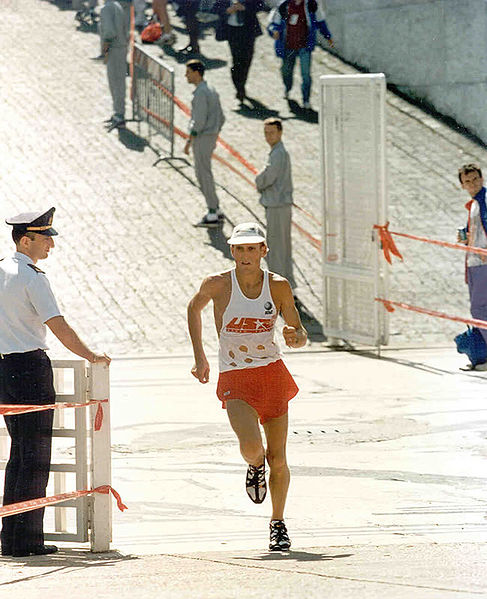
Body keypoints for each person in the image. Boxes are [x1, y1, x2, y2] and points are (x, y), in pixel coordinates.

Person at [187, 222, 307, 551]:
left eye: (252, 248)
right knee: (253, 448)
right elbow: (193, 307)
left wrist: (295, 338)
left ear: (263, 251)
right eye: (239, 248)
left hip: (272, 374)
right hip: (235, 377)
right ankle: (254, 466)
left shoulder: (278, 286)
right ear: (232, 251)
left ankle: (278, 523)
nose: (245, 255)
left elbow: (298, 330)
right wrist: (200, 356)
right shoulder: (217, 284)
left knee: (279, 458)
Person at [0, 208, 111, 558]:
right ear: (26, 239)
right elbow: (58, 325)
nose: (51, 244)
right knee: (34, 456)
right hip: (29, 368)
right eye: (46, 237)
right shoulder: (33, 278)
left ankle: (11, 537)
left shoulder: (2, 269)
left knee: (18, 455)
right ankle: (27, 541)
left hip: (3, 369)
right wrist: (92, 356)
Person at [256, 118, 297, 294]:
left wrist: (258, 180)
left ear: (280, 133)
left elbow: (267, 177)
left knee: (277, 247)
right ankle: (287, 285)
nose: (268, 136)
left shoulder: (278, 153)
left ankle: (279, 287)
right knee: (282, 246)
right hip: (279, 204)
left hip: (278, 205)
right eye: (266, 132)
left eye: (271, 132)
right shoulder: (277, 152)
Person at [267, 0, 333, 109]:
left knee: (305, 74)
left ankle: (306, 99)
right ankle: (287, 88)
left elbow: (320, 21)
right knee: (286, 71)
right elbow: (273, 23)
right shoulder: (283, 5)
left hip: (304, 46)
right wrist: (274, 31)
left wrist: (328, 36)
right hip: (288, 46)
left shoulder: (312, 5)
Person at [184, 59, 225, 228]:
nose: (186, 75)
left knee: (203, 174)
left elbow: (198, 122)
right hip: (211, 135)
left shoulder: (200, 94)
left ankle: (212, 212)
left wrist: (189, 140)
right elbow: (222, 117)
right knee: (205, 172)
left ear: (197, 73)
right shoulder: (211, 90)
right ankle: (215, 207)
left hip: (202, 137)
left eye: (188, 72)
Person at [457, 164, 487, 369]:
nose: (472, 184)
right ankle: (481, 356)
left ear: (482, 179)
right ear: (462, 185)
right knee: (479, 310)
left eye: (475, 179)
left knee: (479, 309)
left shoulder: (484, 201)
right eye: (467, 181)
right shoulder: (475, 203)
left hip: (483, 262)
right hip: (473, 262)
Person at [213, 0, 264, 103]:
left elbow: (260, 5)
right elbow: (215, 8)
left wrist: (245, 8)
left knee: (247, 60)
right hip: (232, 31)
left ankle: (242, 83)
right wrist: (227, 10)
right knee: (237, 61)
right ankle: (239, 88)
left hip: (248, 31)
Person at [100, 0, 129, 128]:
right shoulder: (117, 6)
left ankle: (119, 115)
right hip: (121, 47)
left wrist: (104, 51)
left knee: (115, 83)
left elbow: (109, 32)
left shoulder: (106, 9)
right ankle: (118, 112)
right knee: (119, 82)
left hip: (114, 49)